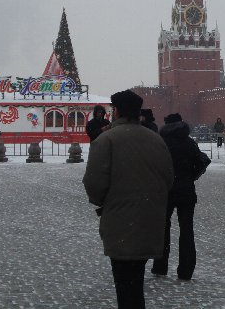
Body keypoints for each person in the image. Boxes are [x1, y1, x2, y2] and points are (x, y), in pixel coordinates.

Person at [83, 89, 173, 309]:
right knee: (136, 282)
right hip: (150, 221)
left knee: (124, 284)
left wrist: (106, 202)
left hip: (120, 223)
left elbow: (94, 183)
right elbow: (169, 178)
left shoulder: (106, 140)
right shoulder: (156, 140)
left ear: (116, 111)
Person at [151, 113, 210, 280]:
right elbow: (201, 161)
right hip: (186, 191)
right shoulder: (189, 142)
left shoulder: (161, 143)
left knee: (163, 228)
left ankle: (160, 266)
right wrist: (191, 177)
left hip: (166, 191)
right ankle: (186, 269)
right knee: (187, 230)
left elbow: (154, 166)